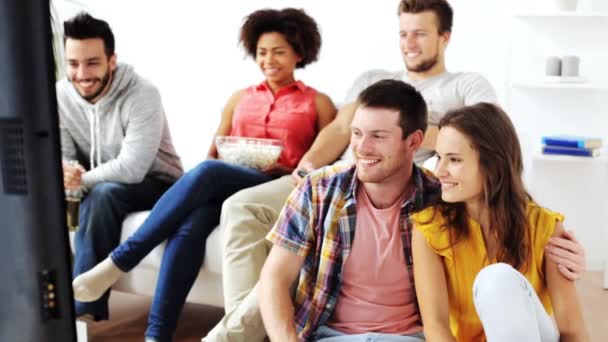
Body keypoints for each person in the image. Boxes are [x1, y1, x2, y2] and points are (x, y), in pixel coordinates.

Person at [204, 1, 586, 341]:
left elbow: (492, 143)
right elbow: (339, 130)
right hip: (332, 182)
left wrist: (562, 247)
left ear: (444, 37)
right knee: (242, 208)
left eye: (420, 33)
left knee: (496, 277)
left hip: (410, 191)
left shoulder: (443, 169)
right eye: (403, 33)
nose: (410, 42)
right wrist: (308, 166)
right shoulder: (370, 89)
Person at [72, 8, 336, 342]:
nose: (268, 60)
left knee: (208, 173)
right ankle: (157, 335)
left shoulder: (319, 103)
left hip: (275, 186)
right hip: (231, 181)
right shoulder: (239, 99)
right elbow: (215, 152)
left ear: (299, 53)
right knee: (191, 224)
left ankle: (121, 260)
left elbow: (324, 161)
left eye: (279, 51)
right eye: (262, 52)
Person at [411, 103, 589, 341]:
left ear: (492, 165)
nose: (439, 171)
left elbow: (572, 331)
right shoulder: (429, 228)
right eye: (438, 158)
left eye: (454, 160)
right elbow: (436, 328)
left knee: (496, 279)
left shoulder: (545, 227)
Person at [57, 12, 183, 321]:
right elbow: (65, 155)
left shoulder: (142, 93)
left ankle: (83, 309)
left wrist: (80, 180)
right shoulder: (60, 95)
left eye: (92, 63)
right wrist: (67, 172)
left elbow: (132, 168)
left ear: (112, 60)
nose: (82, 74)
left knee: (104, 194)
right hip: (98, 181)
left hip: (158, 183)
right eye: (73, 64)